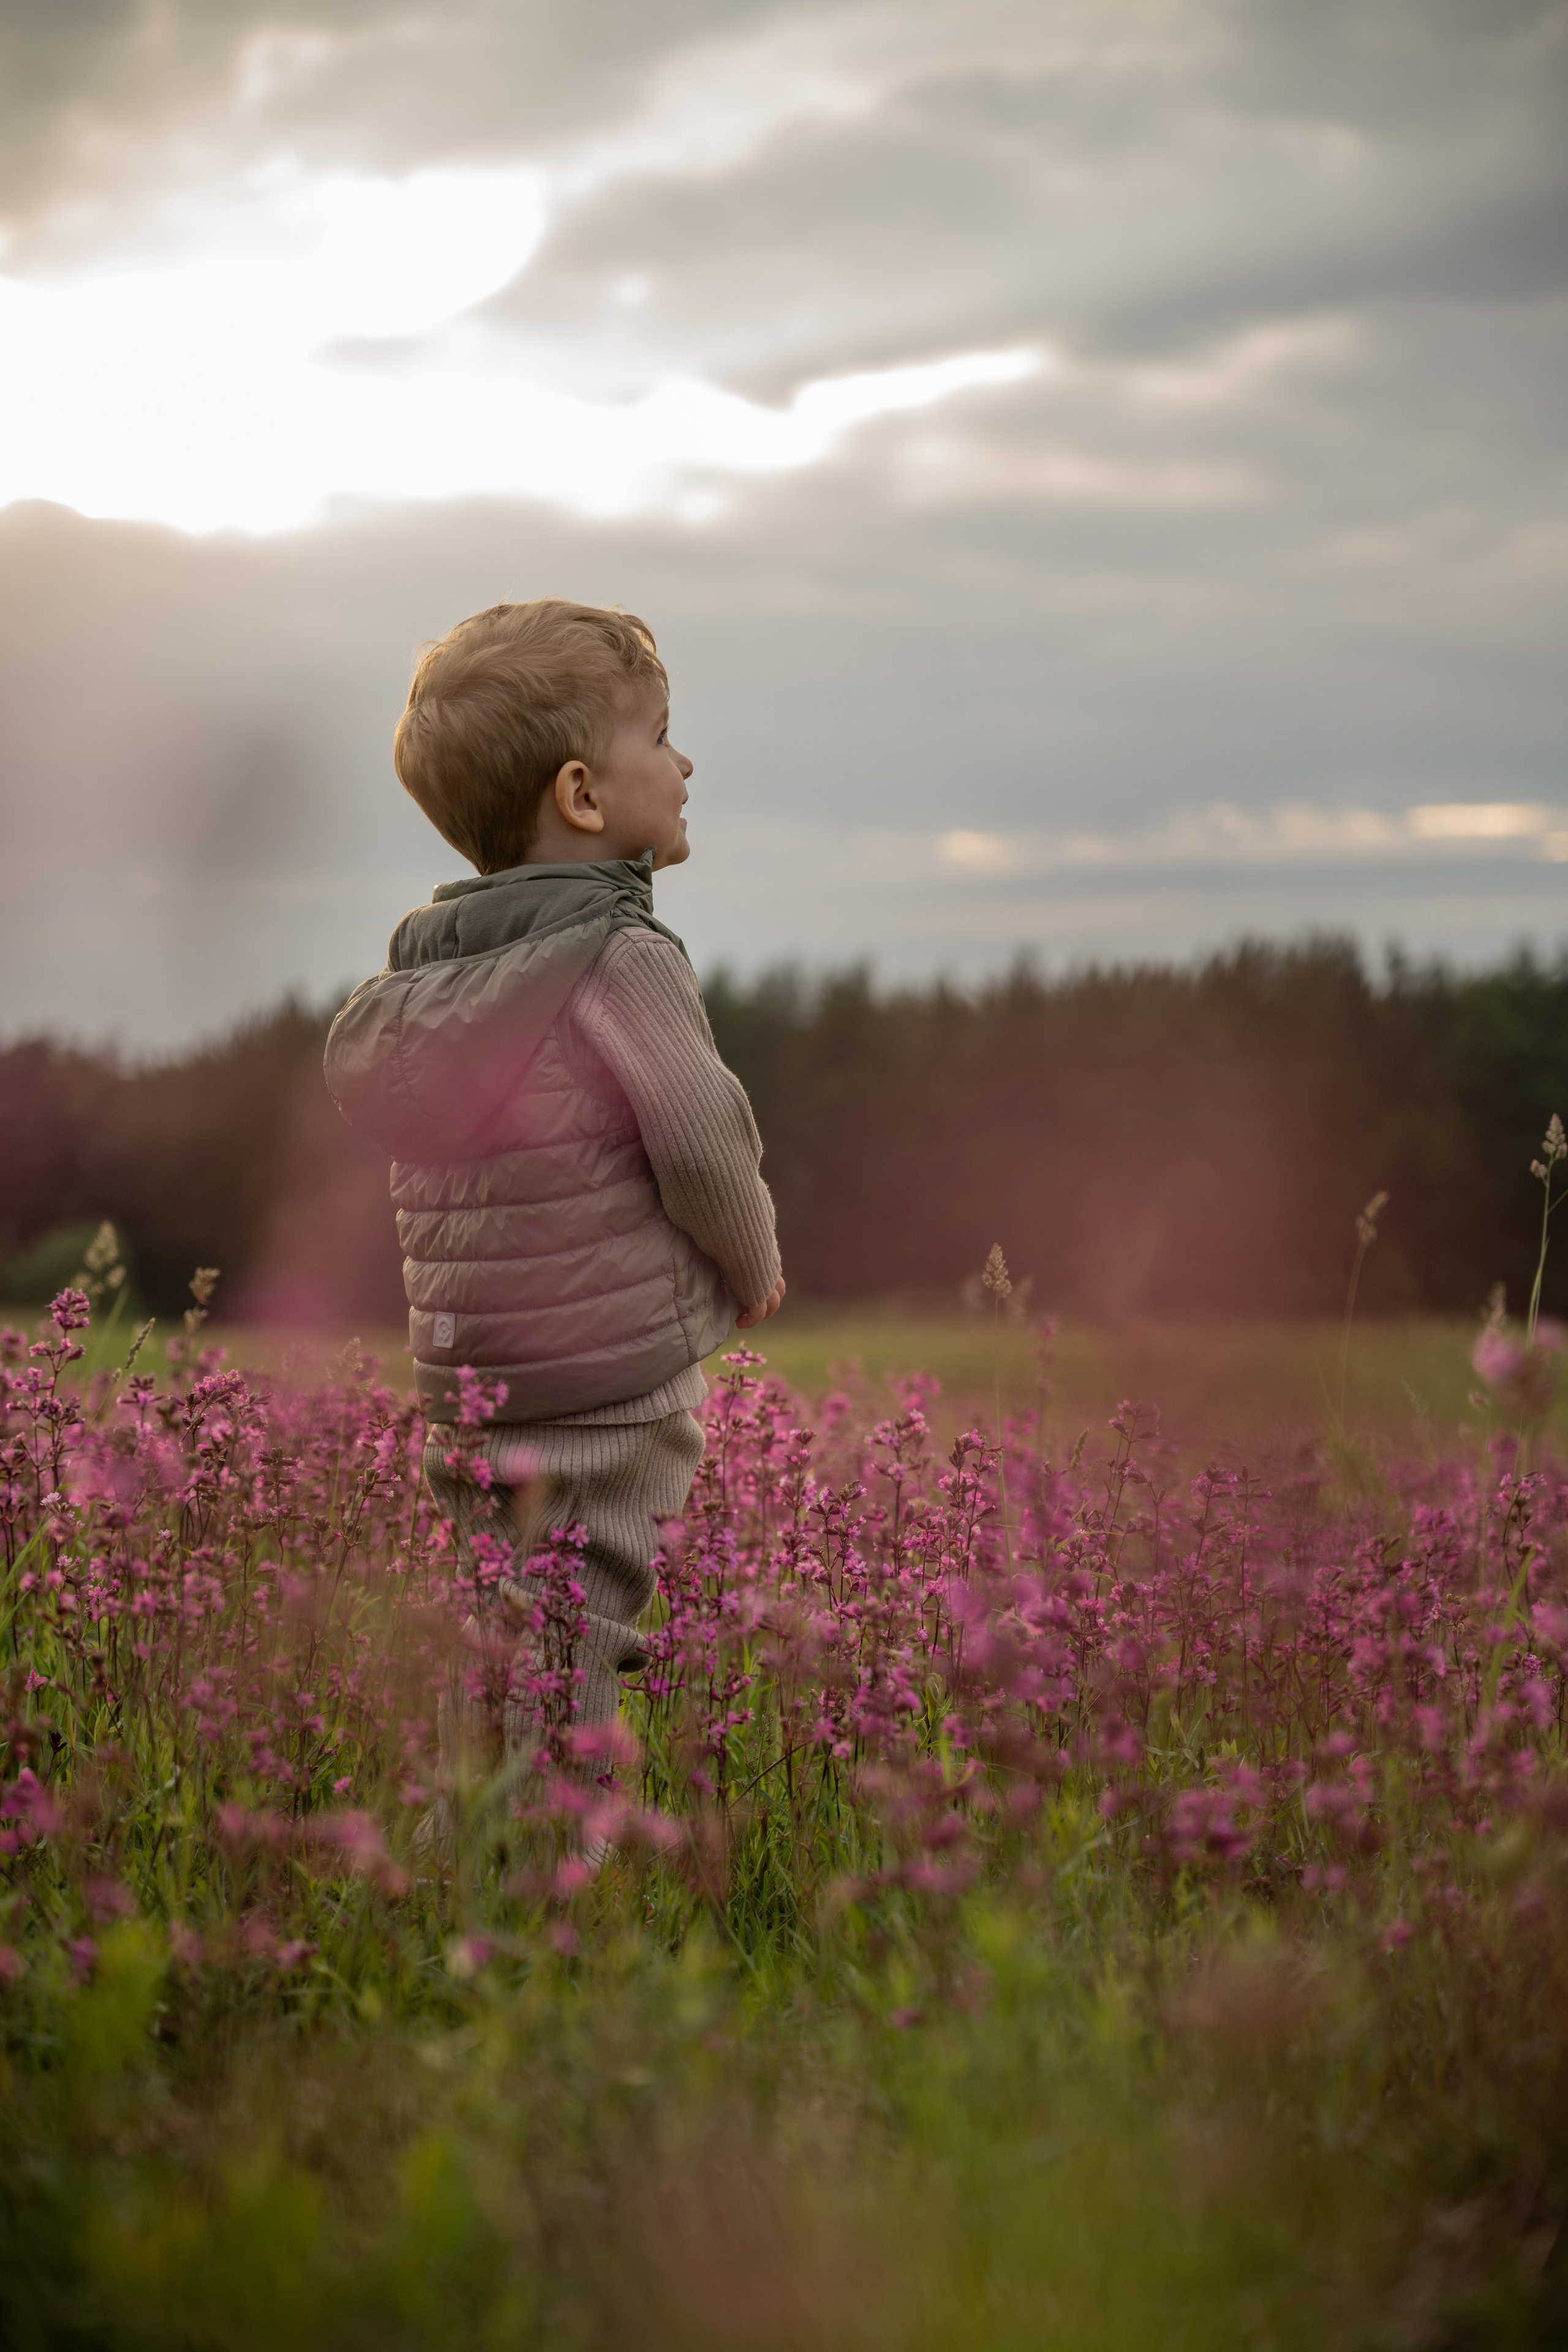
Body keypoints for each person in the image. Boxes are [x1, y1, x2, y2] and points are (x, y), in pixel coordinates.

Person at [324, 598, 783, 1740]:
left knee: (500, 1634)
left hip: (471, 1390)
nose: (685, 763)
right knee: (576, 1637)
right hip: (607, 1388)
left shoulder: (431, 983)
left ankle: (459, 1862)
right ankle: (545, 1886)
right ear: (583, 795)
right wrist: (752, 1259)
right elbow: (700, 1135)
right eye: (662, 737)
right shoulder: (622, 956)